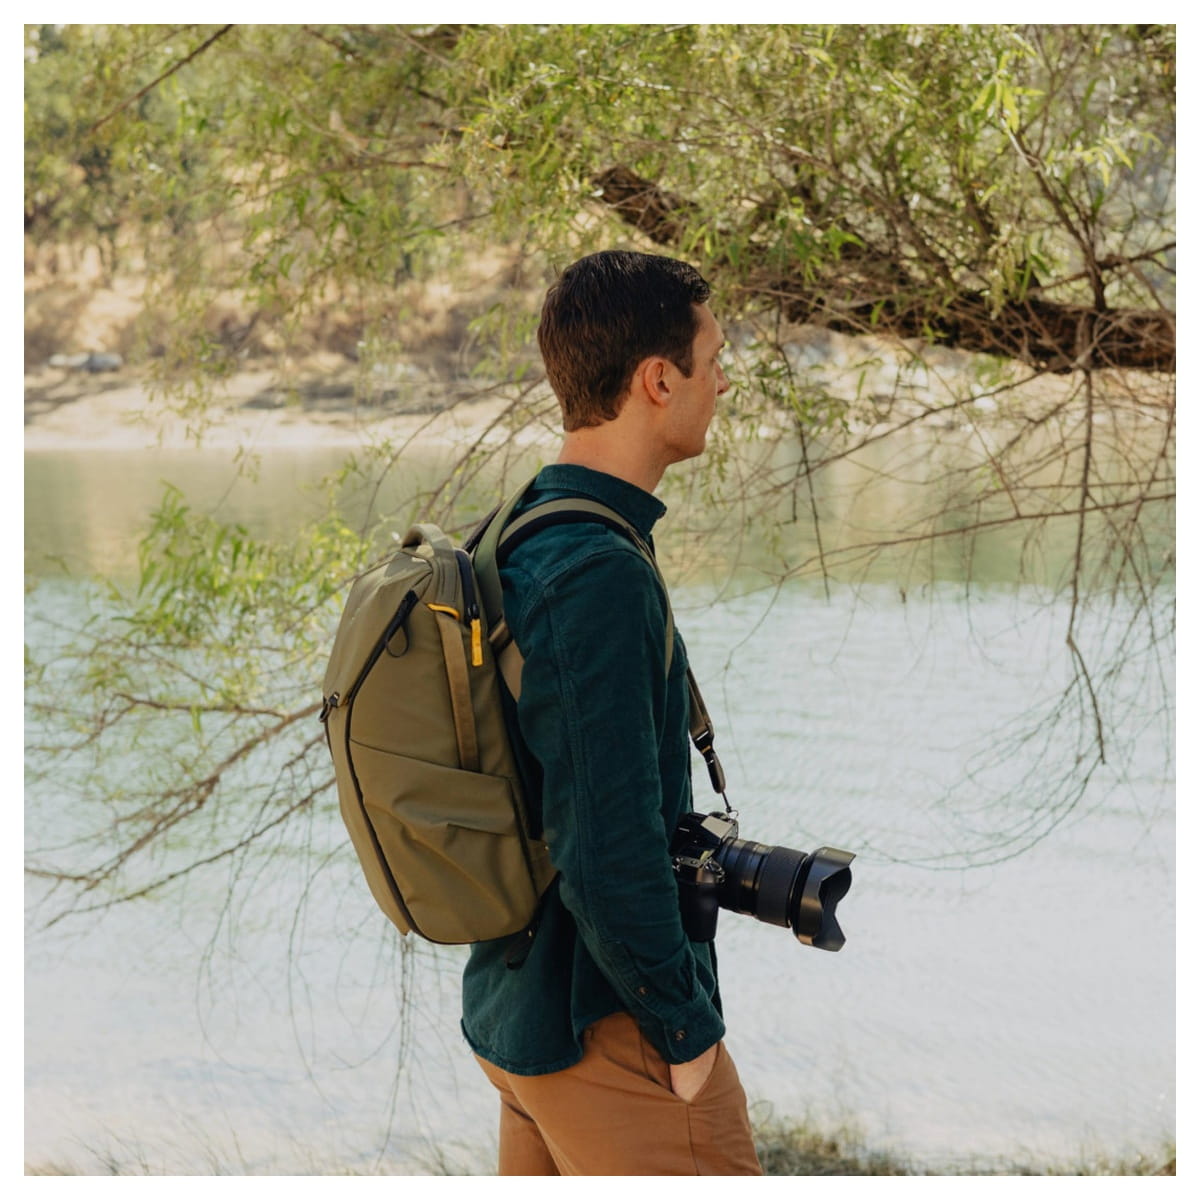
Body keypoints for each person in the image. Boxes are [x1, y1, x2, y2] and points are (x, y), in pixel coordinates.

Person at [460, 249, 763, 1176]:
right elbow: (603, 841)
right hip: (609, 1034)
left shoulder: (523, 525)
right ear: (658, 380)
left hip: (522, 1020)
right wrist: (684, 1030)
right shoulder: (596, 569)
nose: (723, 382)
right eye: (714, 360)